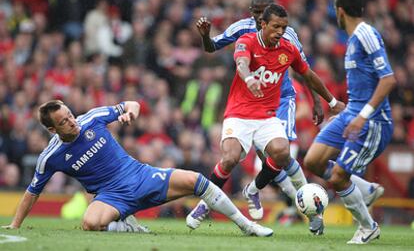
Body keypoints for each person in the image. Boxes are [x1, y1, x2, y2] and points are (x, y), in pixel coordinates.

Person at [1, 100, 273, 237]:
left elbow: (131, 103)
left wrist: (131, 112)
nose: (72, 122)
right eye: (64, 121)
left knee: (196, 179)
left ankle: (246, 225)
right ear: (52, 129)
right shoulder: (51, 156)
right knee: (89, 223)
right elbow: (32, 191)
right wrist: (15, 224)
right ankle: (127, 227)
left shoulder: (92, 118)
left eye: (70, 115)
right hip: (109, 195)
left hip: (139, 175)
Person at [187, 4, 345, 230]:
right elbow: (241, 63)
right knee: (230, 159)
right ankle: (204, 204)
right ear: (262, 24)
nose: (280, 32)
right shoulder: (247, 41)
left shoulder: (288, 50)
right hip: (239, 113)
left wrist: (331, 102)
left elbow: (309, 76)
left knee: (282, 153)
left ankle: (253, 190)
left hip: (266, 116)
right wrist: (249, 77)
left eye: (284, 27)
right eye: (275, 27)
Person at [195, 0, 323, 203]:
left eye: (264, 11)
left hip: (281, 99)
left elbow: (305, 70)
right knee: (266, 157)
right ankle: (267, 194)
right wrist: (205, 36)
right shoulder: (242, 28)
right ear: (251, 12)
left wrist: (316, 101)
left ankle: (301, 202)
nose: (259, 16)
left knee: (282, 153)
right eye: (256, 12)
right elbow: (211, 47)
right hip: (249, 102)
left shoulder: (287, 34)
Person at [303, 0, 396, 244]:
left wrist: (362, 116)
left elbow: (388, 80)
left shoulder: (366, 34)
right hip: (352, 112)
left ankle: (368, 227)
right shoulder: (352, 39)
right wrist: (347, 111)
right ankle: (365, 189)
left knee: (337, 177)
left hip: (374, 121)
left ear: (339, 11)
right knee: (313, 161)